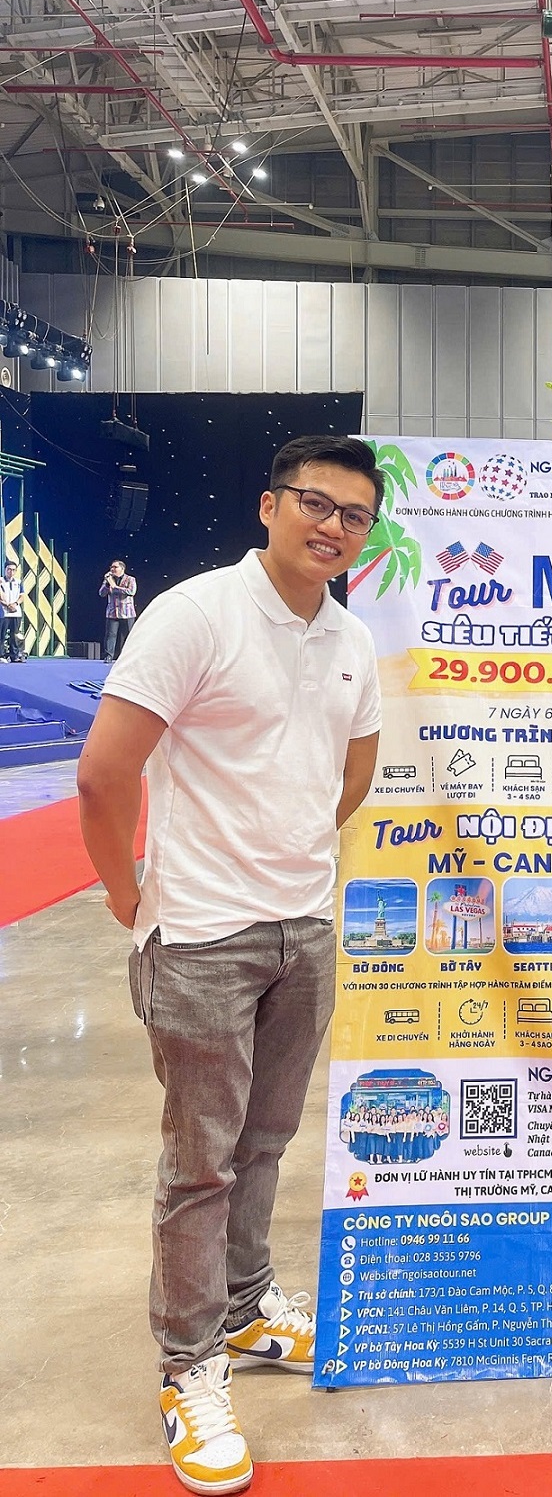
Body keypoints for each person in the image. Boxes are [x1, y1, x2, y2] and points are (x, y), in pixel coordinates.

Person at [77, 435, 385, 1496]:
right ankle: (189, 1368)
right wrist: (128, 893)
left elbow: (354, 768)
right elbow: (103, 773)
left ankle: (247, 1309)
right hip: (202, 934)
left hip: (304, 929)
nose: (332, 526)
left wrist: (294, 850)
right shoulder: (195, 614)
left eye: (354, 515)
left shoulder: (351, 637)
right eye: (315, 502)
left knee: (265, 1142)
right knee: (199, 1162)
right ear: (269, 503)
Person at [100, 558, 138, 661]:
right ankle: (109, 656)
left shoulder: (130, 579)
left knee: (127, 635)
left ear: (122, 568)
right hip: (112, 612)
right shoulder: (109, 580)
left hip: (126, 612)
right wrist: (107, 584)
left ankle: (127, 656)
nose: (112, 569)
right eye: (111, 567)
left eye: (115, 567)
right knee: (110, 635)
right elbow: (101, 593)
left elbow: (131, 591)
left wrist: (115, 587)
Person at [0, 558, 25, 662]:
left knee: (14, 635)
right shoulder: (1, 581)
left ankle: (14, 656)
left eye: (13, 570)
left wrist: (15, 604)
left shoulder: (18, 582)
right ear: (5, 570)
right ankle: (1, 655)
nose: (11, 572)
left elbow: (22, 596)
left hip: (16, 612)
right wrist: (6, 605)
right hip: (3, 612)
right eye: (9, 569)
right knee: (1, 634)